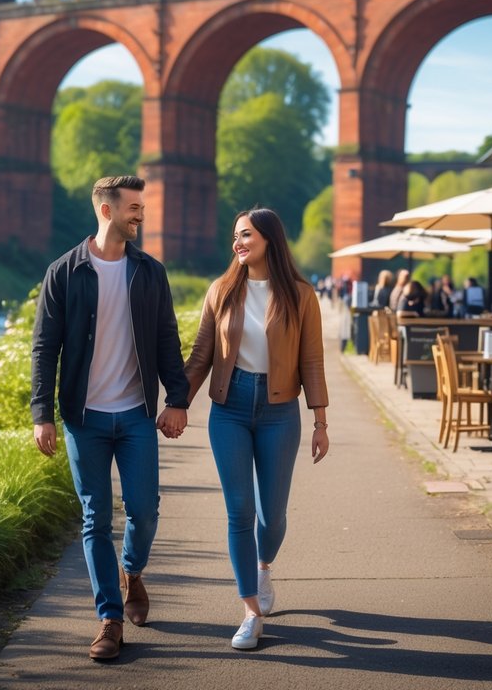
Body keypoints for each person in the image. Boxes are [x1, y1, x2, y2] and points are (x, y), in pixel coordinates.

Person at [30, 175, 190, 661]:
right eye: (134, 208)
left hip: (138, 414)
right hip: (85, 418)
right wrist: (43, 414)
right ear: (107, 211)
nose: (140, 215)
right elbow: (44, 349)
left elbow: (167, 339)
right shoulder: (64, 272)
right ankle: (109, 619)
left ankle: (132, 572)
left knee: (144, 510)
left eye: (142, 207)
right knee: (95, 517)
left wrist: (177, 399)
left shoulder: (150, 272)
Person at [184, 208, 330, 651]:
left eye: (245, 235)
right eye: (234, 237)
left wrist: (320, 421)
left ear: (268, 238)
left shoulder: (301, 295)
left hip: (280, 409)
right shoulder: (222, 290)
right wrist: (177, 404)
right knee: (239, 510)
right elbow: (201, 354)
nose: (238, 243)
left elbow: (312, 361)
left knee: (273, 514)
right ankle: (250, 611)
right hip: (228, 407)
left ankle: (264, 566)